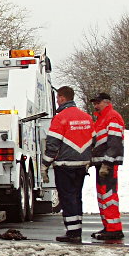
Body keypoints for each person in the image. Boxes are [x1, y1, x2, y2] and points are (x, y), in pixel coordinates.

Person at [41, 86, 94, 243]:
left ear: (62, 98)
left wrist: (45, 165)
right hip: (82, 164)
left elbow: (52, 145)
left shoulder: (60, 118)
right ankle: (77, 228)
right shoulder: (87, 117)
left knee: (67, 196)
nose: (57, 101)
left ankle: (72, 232)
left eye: (57, 98)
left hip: (65, 165)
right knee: (77, 196)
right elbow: (94, 140)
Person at [89, 92, 125, 240]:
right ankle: (108, 227)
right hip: (101, 163)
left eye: (98, 103)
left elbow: (114, 143)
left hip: (108, 164)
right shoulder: (101, 118)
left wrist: (107, 163)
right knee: (103, 196)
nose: (95, 106)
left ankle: (114, 228)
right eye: (94, 103)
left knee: (109, 196)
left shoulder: (112, 116)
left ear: (106, 102)